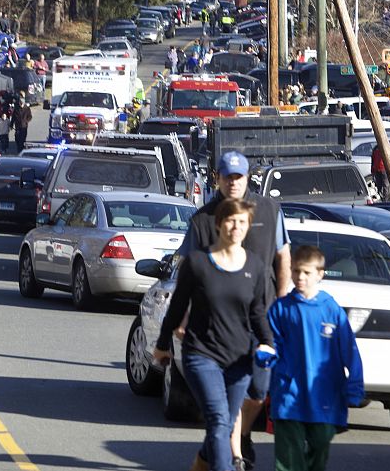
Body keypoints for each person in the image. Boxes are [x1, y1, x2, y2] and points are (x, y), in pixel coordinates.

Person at [180, 151, 291, 470]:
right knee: (221, 411)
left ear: (247, 178)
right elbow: (188, 273)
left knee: (259, 389)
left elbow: (283, 256)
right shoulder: (203, 219)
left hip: (262, 317)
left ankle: (232, 440)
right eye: (227, 176)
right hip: (216, 325)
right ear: (217, 178)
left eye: (238, 176)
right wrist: (184, 315)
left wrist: (281, 301)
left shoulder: (269, 211)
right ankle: (233, 454)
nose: (233, 182)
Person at [154, 198, 275, 471]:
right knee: (220, 420)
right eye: (231, 220)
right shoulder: (198, 263)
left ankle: (201, 464)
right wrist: (163, 345)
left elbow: (256, 313)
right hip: (202, 354)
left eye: (242, 222)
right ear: (219, 223)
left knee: (224, 422)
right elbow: (178, 306)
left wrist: (268, 343)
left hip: (239, 360)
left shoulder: (254, 267)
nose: (236, 226)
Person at [266, 245, 365, 471]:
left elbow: (349, 350)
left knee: (320, 446)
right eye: (296, 271)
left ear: (320, 274)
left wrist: (355, 386)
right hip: (288, 394)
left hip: (325, 395)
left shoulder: (331, 310)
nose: (300, 277)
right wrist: (265, 356)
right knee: (288, 458)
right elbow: (271, 343)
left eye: (307, 272)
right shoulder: (281, 309)